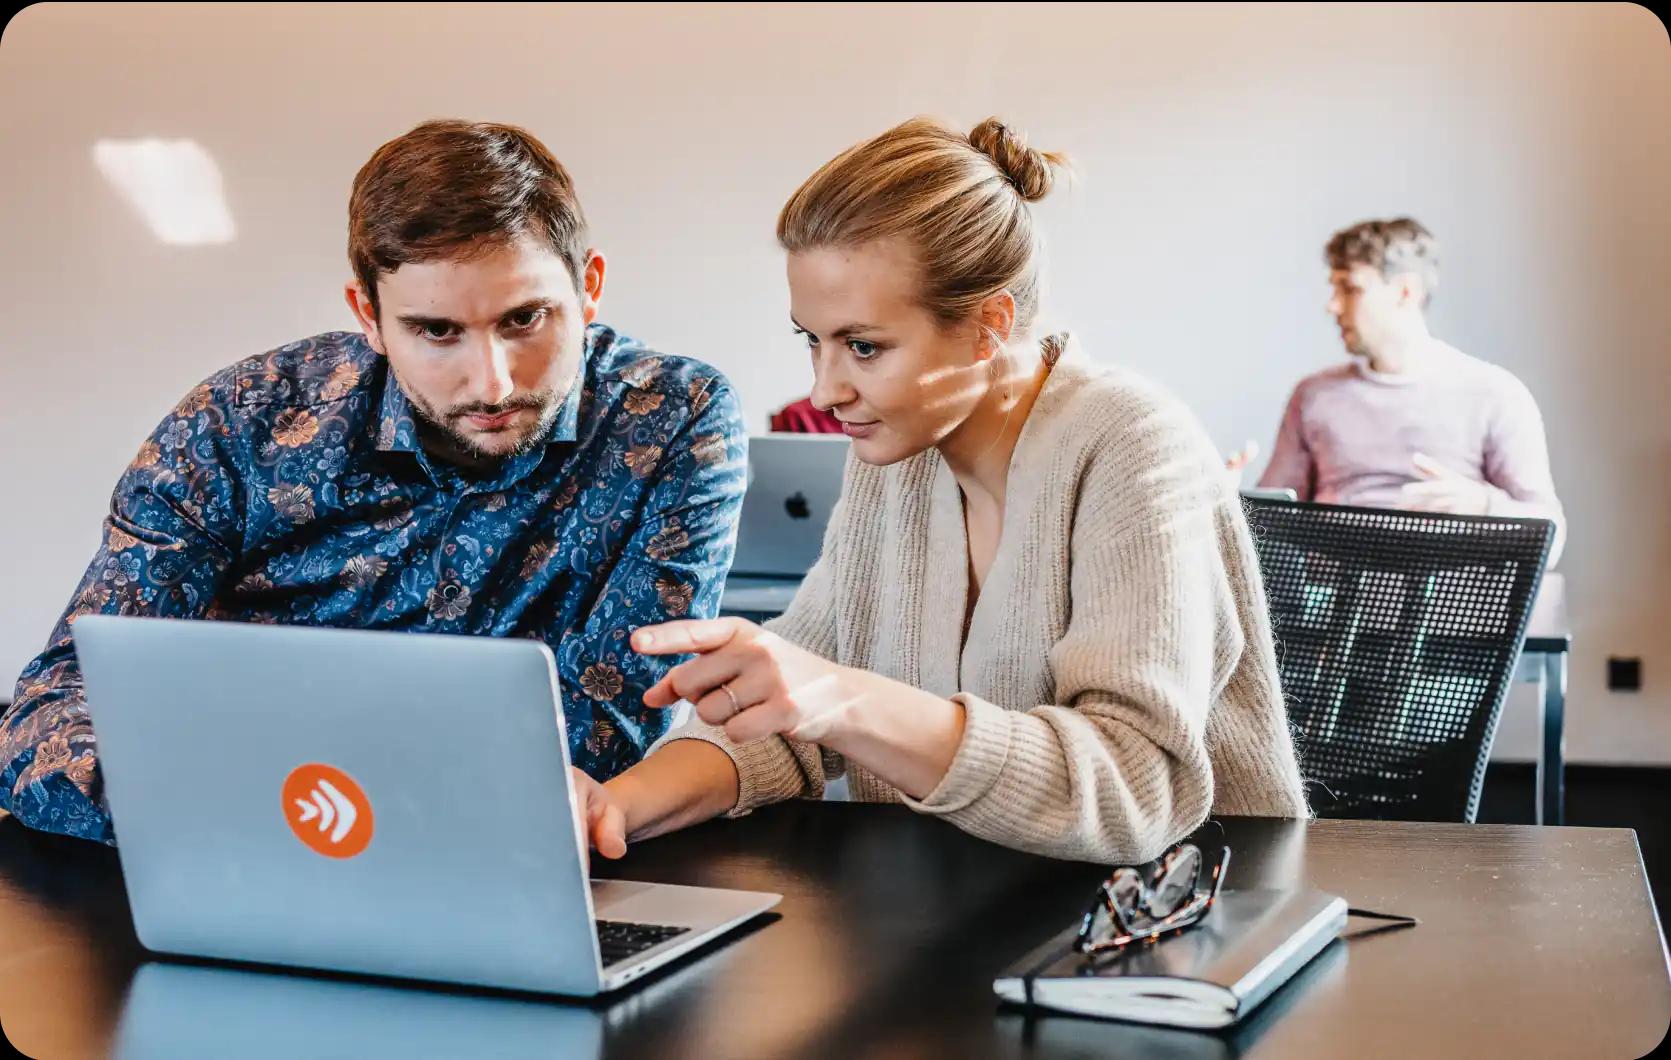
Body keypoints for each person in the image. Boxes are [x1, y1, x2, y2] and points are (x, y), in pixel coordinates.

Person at [572, 117, 1309, 867]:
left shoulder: (1129, 443)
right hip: (957, 911)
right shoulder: (893, 453)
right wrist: (616, 806)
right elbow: (787, 716)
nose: (825, 390)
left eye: (863, 346)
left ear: (989, 325)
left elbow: (1133, 790)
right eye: (811, 339)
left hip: (1176, 926)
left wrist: (843, 698)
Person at [2, 120, 748, 844]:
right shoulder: (240, 420)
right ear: (369, 315)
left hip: (496, 868)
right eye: (436, 331)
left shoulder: (672, 418)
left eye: (524, 319)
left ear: (588, 287)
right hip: (231, 850)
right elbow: (64, 694)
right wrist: (218, 812)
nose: (492, 384)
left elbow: (612, 723)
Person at [1229, 217, 1565, 562]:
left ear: (1406, 291)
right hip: (1335, 602)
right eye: (1334, 288)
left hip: (1452, 604)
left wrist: (1484, 506)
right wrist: (1226, 505)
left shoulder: (1495, 393)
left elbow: (1551, 539)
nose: (1332, 305)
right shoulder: (1314, 396)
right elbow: (1265, 525)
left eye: (1350, 288)